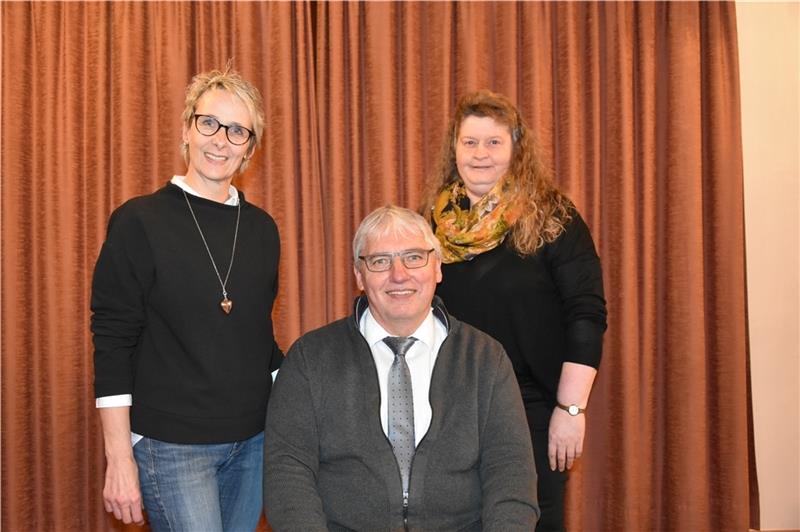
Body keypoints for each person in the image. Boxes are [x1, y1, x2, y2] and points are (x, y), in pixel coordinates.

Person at [263, 205, 539, 531]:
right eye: (380, 261)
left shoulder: (485, 359)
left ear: (437, 267)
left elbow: (511, 473)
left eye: (413, 257)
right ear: (359, 276)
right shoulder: (311, 360)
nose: (399, 274)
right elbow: (287, 473)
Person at [91, 64, 283, 531]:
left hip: (253, 443)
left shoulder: (262, 229)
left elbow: (258, 337)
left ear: (250, 149)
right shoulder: (139, 222)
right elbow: (113, 342)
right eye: (209, 123)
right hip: (172, 448)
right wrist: (120, 459)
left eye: (238, 131)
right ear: (187, 129)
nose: (221, 139)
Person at [422, 90, 608, 532]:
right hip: (450, 410)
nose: (480, 154)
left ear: (516, 148)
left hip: (535, 409)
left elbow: (587, 313)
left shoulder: (552, 217)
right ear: (454, 148)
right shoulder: (430, 224)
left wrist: (571, 410)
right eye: (470, 142)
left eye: (493, 142)